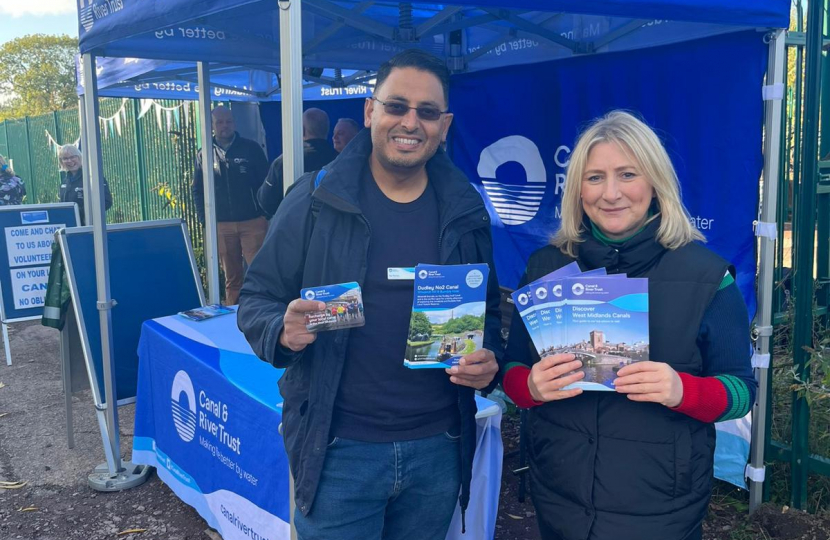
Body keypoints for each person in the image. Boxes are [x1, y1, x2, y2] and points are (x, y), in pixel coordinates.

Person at [238, 49, 503, 540]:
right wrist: (282, 329)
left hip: (438, 449)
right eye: (396, 106)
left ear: (444, 126)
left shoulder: (464, 209)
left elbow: (485, 318)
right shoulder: (315, 198)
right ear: (370, 112)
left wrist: (490, 361)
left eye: (427, 112)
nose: (411, 122)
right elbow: (256, 298)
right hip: (338, 450)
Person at [501, 111, 757, 540]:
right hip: (559, 499)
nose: (611, 193)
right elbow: (511, 371)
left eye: (627, 174)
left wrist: (683, 391)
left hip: (660, 512)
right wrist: (529, 388)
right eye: (595, 177)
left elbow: (741, 392)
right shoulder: (546, 267)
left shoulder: (709, 277)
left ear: (654, 182)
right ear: (577, 189)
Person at [192, 106, 269, 305]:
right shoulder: (205, 153)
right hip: (222, 225)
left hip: (253, 222)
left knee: (261, 272)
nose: (224, 126)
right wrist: (205, 221)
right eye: (219, 122)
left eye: (228, 121)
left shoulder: (251, 148)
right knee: (232, 278)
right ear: (212, 126)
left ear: (234, 123)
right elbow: (198, 190)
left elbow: (268, 183)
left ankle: (264, 310)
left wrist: (264, 214)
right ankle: (234, 317)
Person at [257, 108, 339, 217]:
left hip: (293, 226)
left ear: (302, 129)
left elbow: (266, 202)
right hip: (333, 226)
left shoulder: (284, 161)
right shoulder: (340, 160)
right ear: (327, 129)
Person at [58, 145, 113, 225]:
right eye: (65, 158)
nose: (69, 161)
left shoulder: (92, 177)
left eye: (73, 157)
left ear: (79, 157)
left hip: (91, 228)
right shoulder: (65, 182)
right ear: (61, 161)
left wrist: (80, 212)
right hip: (70, 228)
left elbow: (106, 202)